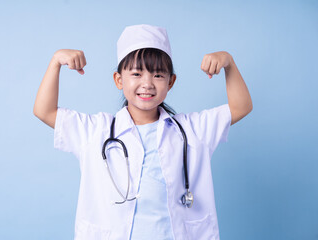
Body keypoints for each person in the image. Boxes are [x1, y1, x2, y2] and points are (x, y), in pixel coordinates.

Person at [33, 24, 252, 240]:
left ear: (171, 82)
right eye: (136, 74)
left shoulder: (192, 130)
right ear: (119, 80)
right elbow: (44, 111)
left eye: (158, 75)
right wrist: (56, 62)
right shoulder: (95, 131)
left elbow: (241, 107)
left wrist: (229, 63)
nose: (147, 84)